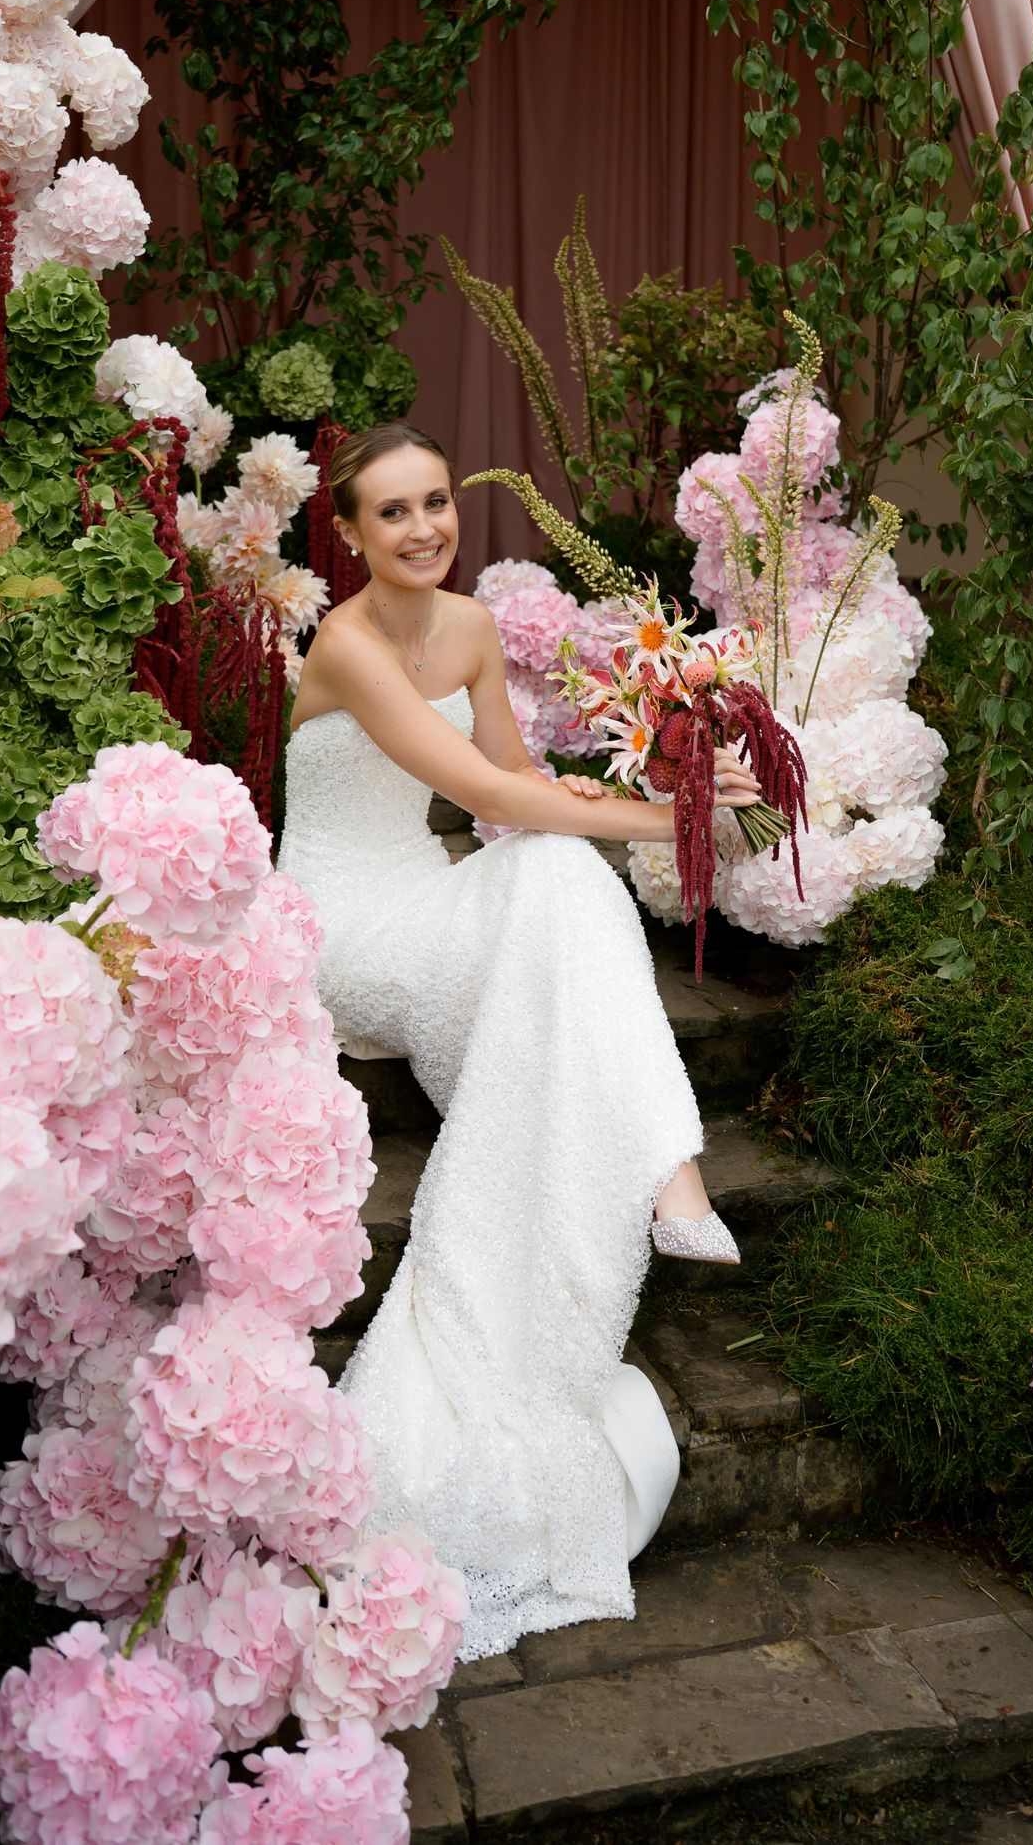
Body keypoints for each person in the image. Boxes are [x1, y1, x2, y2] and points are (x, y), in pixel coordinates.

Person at [276, 420, 765, 1659]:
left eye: (435, 501)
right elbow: (490, 800)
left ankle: (663, 1171)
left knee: (554, 867)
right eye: (390, 512)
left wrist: (647, 778)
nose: (423, 526)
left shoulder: (477, 630)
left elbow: (514, 779)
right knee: (551, 853)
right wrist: (674, 822)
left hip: (429, 885)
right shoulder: (344, 642)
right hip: (342, 928)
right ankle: (661, 1160)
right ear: (345, 533)